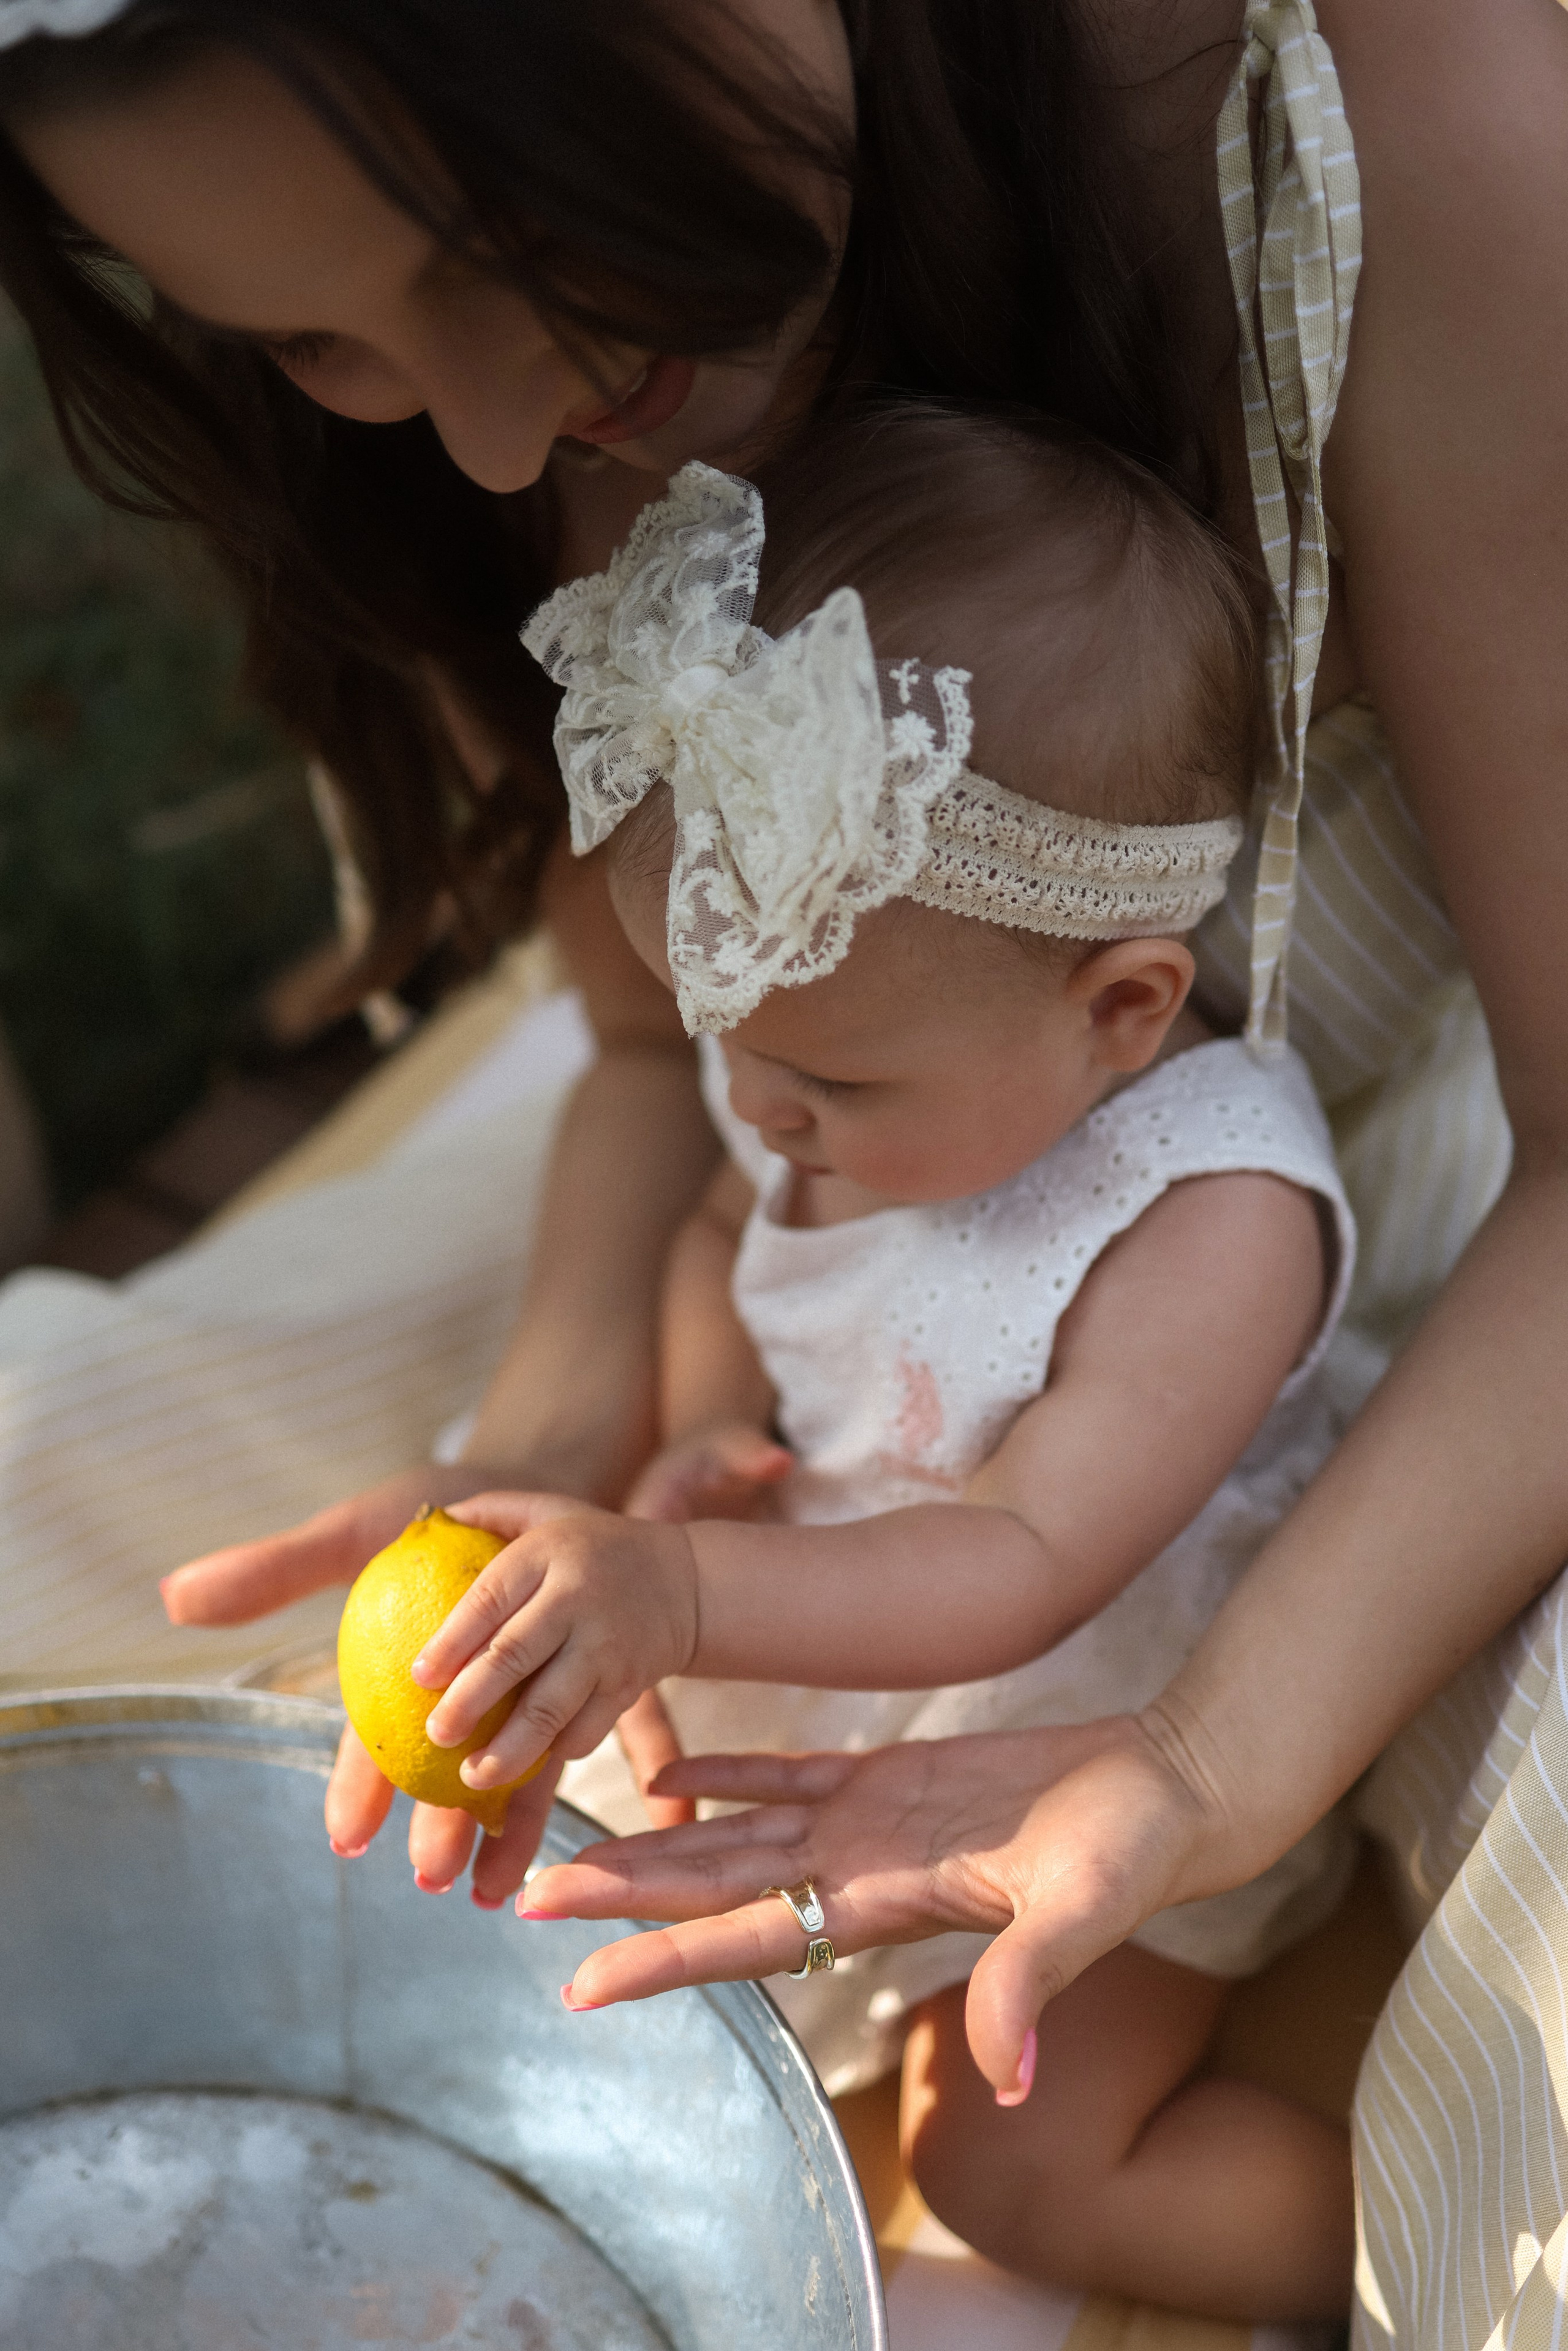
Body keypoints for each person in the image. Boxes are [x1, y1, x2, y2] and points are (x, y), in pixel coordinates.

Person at [0, 3, 1563, 2336]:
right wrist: (585, 1432)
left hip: (1414, 1355)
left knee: (1407, 2175)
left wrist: (1196, 1763)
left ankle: (1324, 2235)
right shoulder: (797, 1054)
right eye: (313, 339)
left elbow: (1042, 1545)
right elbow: (680, 1085)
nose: (493, 438)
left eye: (499, 243)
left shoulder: (1416, 124)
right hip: (872, 1330)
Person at [405, 412, 1363, 2318]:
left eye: (823, 1083)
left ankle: (1404, 2241)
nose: (757, 1109)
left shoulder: (1209, 1214)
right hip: (846, 1605)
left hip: (1110, 1733)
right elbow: (717, 1230)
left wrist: (685, 1588)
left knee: (1007, 2164)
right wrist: (711, 1418)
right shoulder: (817, 1032)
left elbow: (1027, 1556)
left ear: (1120, 1008)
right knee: (557, 1930)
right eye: (721, 1037)